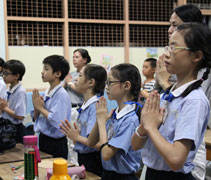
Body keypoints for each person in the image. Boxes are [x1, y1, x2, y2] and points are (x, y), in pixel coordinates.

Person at [132, 23, 211, 180]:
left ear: (196, 56)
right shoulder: (166, 96)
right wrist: (143, 126)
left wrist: (151, 127)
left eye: (174, 48)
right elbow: (135, 145)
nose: (166, 54)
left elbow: (176, 159)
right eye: (168, 47)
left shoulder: (194, 100)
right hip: (153, 174)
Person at [154, 4, 208, 180]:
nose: (170, 30)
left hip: (187, 141)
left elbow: (192, 100)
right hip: (162, 153)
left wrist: (164, 82)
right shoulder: (173, 59)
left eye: (176, 25)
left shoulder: (197, 90)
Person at [87, 63, 142, 180]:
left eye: (110, 83)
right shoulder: (116, 113)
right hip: (109, 174)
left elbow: (106, 154)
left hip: (123, 177)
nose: (106, 87)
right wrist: (99, 120)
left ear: (126, 85)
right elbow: (91, 142)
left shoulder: (130, 119)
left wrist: (102, 123)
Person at [60, 64, 107, 176]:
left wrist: (76, 137)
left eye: (80, 76)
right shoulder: (86, 104)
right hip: (83, 157)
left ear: (91, 82)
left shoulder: (95, 107)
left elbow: (97, 143)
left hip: (93, 160)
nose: (76, 78)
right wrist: (75, 136)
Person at [31, 55, 71, 159]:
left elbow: (57, 120)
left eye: (46, 69)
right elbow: (36, 118)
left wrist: (40, 108)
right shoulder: (47, 91)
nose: (42, 72)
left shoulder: (61, 94)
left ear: (57, 74)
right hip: (44, 138)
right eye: (43, 68)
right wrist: (36, 107)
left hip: (56, 143)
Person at [0, 60, 27, 144]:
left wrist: (4, 108)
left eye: (6, 73)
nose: (3, 76)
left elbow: (20, 116)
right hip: (7, 127)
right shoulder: (8, 89)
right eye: (3, 73)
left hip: (16, 129)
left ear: (16, 76)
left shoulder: (20, 92)